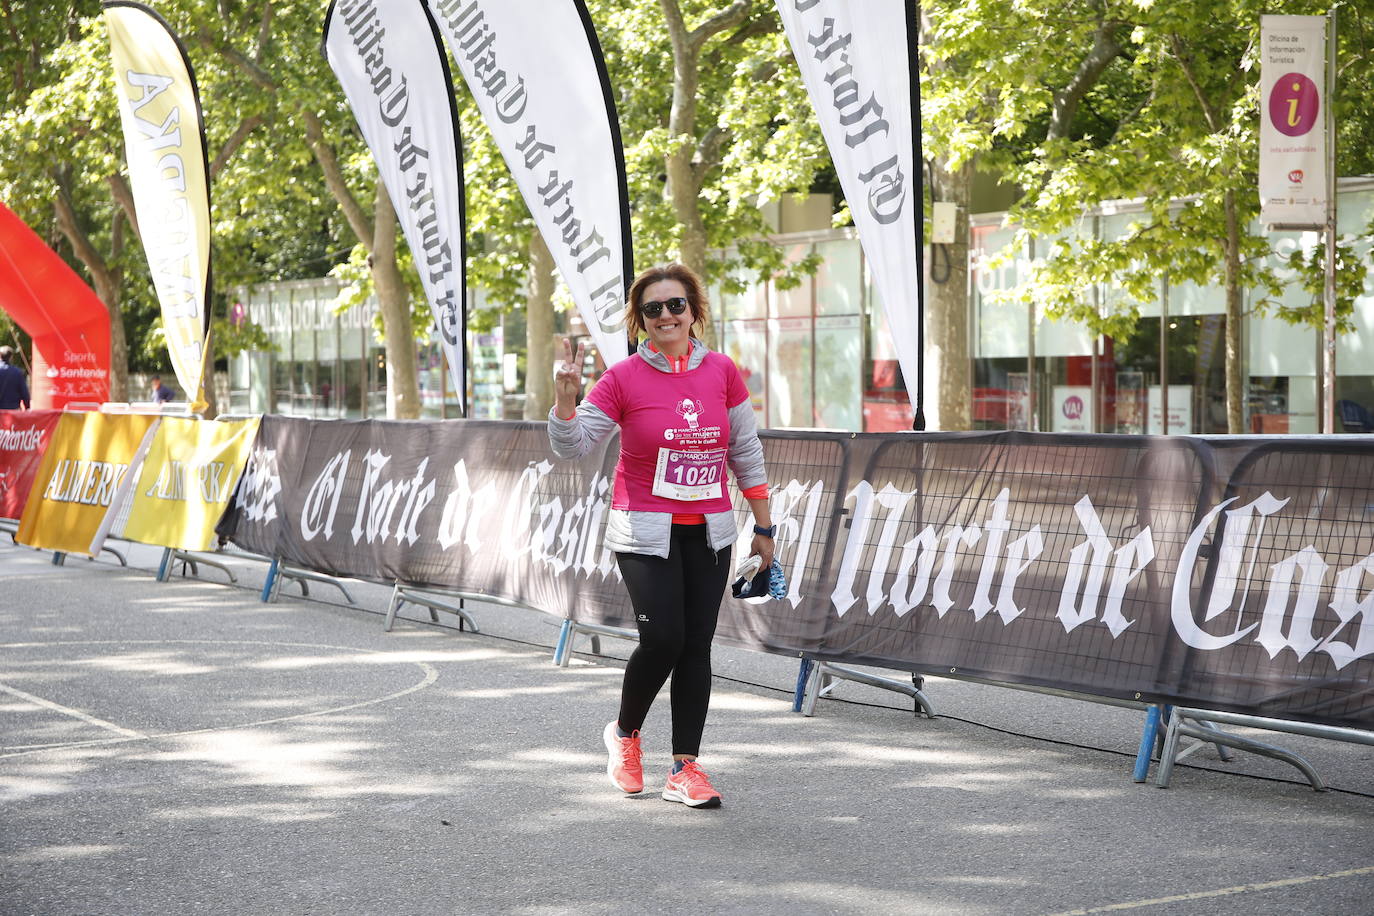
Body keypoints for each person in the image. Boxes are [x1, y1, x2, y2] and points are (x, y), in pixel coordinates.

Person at [548, 263, 774, 809]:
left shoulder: (722, 371)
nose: (666, 315)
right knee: (664, 639)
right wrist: (564, 400)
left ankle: (684, 767)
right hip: (646, 530)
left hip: (711, 531)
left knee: (696, 645)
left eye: (676, 305)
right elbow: (572, 446)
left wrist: (764, 527)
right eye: (653, 308)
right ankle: (625, 736)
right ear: (640, 320)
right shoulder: (623, 377)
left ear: (694, 310)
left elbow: (745, 451)